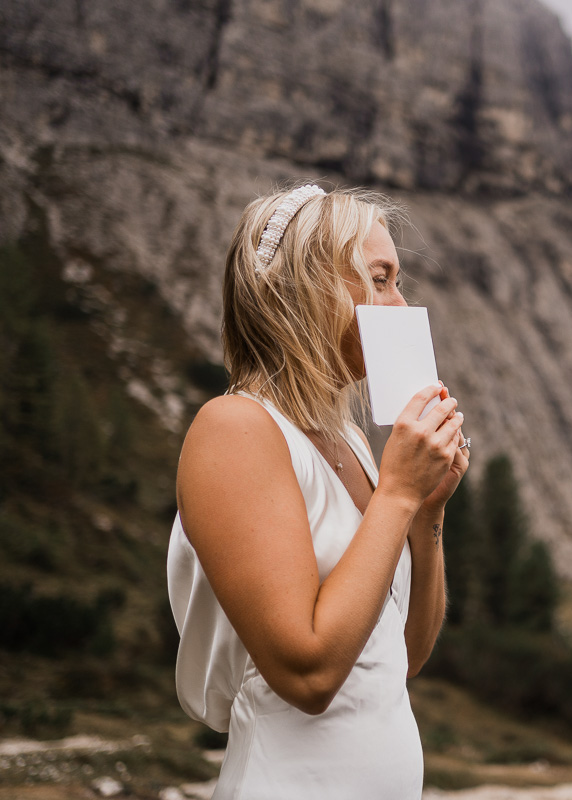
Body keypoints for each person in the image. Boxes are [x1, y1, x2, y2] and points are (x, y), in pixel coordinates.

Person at [167, 184, 469, 799]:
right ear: (308, 287)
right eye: (380, 279)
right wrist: (398, 496)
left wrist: (427, 515)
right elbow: (308, 675)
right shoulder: (234, 429)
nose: (401, 302)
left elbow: (403, 657)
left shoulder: (351, 441)